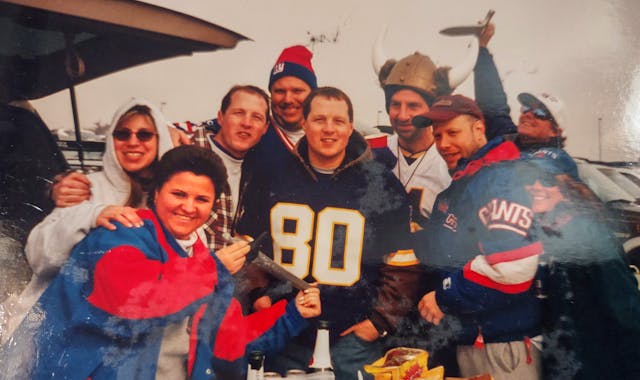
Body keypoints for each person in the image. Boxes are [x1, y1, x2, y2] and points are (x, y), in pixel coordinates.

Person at [0, 145, 321, 380]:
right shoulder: (121, 233)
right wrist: (215, 270)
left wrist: (293, 314)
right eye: (179, 194)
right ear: (156, 194)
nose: (188, 207)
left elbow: (228, 344)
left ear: (212, 207)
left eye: (201, 199)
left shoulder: (200, 258)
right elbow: (135, 304)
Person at [0, 99, 250, 344]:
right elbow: (39, 255)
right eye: (122, 134)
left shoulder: (179, 209)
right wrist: (91, 216)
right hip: (59, 330)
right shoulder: (85, 187)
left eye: (144, 135)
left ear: (160, 138)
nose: (133, 142)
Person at [238, 87, 421, 379]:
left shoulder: (381, 184)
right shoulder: (272, 175)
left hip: (351, 340)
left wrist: (378, 322)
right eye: (319, 119)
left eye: (338, 121)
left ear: (350, 127)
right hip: (282, 331)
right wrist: (259, 294)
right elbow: (248, 248)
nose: (329, 129)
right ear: (304, 123)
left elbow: (402, 265)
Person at [415, 95, 543, 380]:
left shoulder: (501, 177)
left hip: (503, 349)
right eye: (437, 136)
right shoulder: (461, 184)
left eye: (453, 133)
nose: (443, 144)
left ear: (478, 129)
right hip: (473, 342)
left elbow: (514, 269)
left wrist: (444, 296)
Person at [522, 161, 640, 379]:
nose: (535, 186)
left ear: (568, 190)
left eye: (547, 180)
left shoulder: (589, 237)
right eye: (529, 179)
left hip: (596, 368)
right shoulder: (547, 232)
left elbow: (627, 315)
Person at [367, 37, 481, 230]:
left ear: (430, 110)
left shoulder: (450, 159)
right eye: (395, 104)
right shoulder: (369, 149)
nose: (402, 115)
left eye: (413, 106)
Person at [474, 23, 579, 180]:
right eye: (525, 108)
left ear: (555, 132)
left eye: (540, 112)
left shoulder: (559, 159)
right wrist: (481, 48)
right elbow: (492, 102)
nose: (528, 114)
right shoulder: (508, 136)